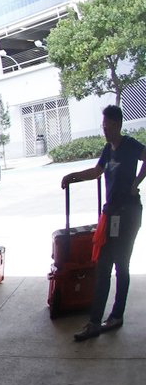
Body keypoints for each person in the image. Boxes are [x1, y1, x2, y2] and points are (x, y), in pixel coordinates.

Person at [62, 106, 146, 342]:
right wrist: (73, 176)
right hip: (112, 215)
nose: (105, 130)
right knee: (105, 267)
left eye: (108, 126)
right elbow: (97, 171)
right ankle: (100, 320)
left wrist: (137, 182)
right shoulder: (108, 149)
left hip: (128, 214)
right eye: (103, 126)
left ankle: (108, 318)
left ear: (118, 124)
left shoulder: (130, 145)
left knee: (119, 266)